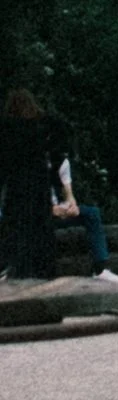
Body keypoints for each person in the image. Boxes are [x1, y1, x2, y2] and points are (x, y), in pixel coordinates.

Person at [1, 86, 59, 282]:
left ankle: (20, 270)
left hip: (18, 185)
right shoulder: (42, 127)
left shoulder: (8, 128)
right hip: (40, 184)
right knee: (41, 227)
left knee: (18, 228)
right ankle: (45, 271)